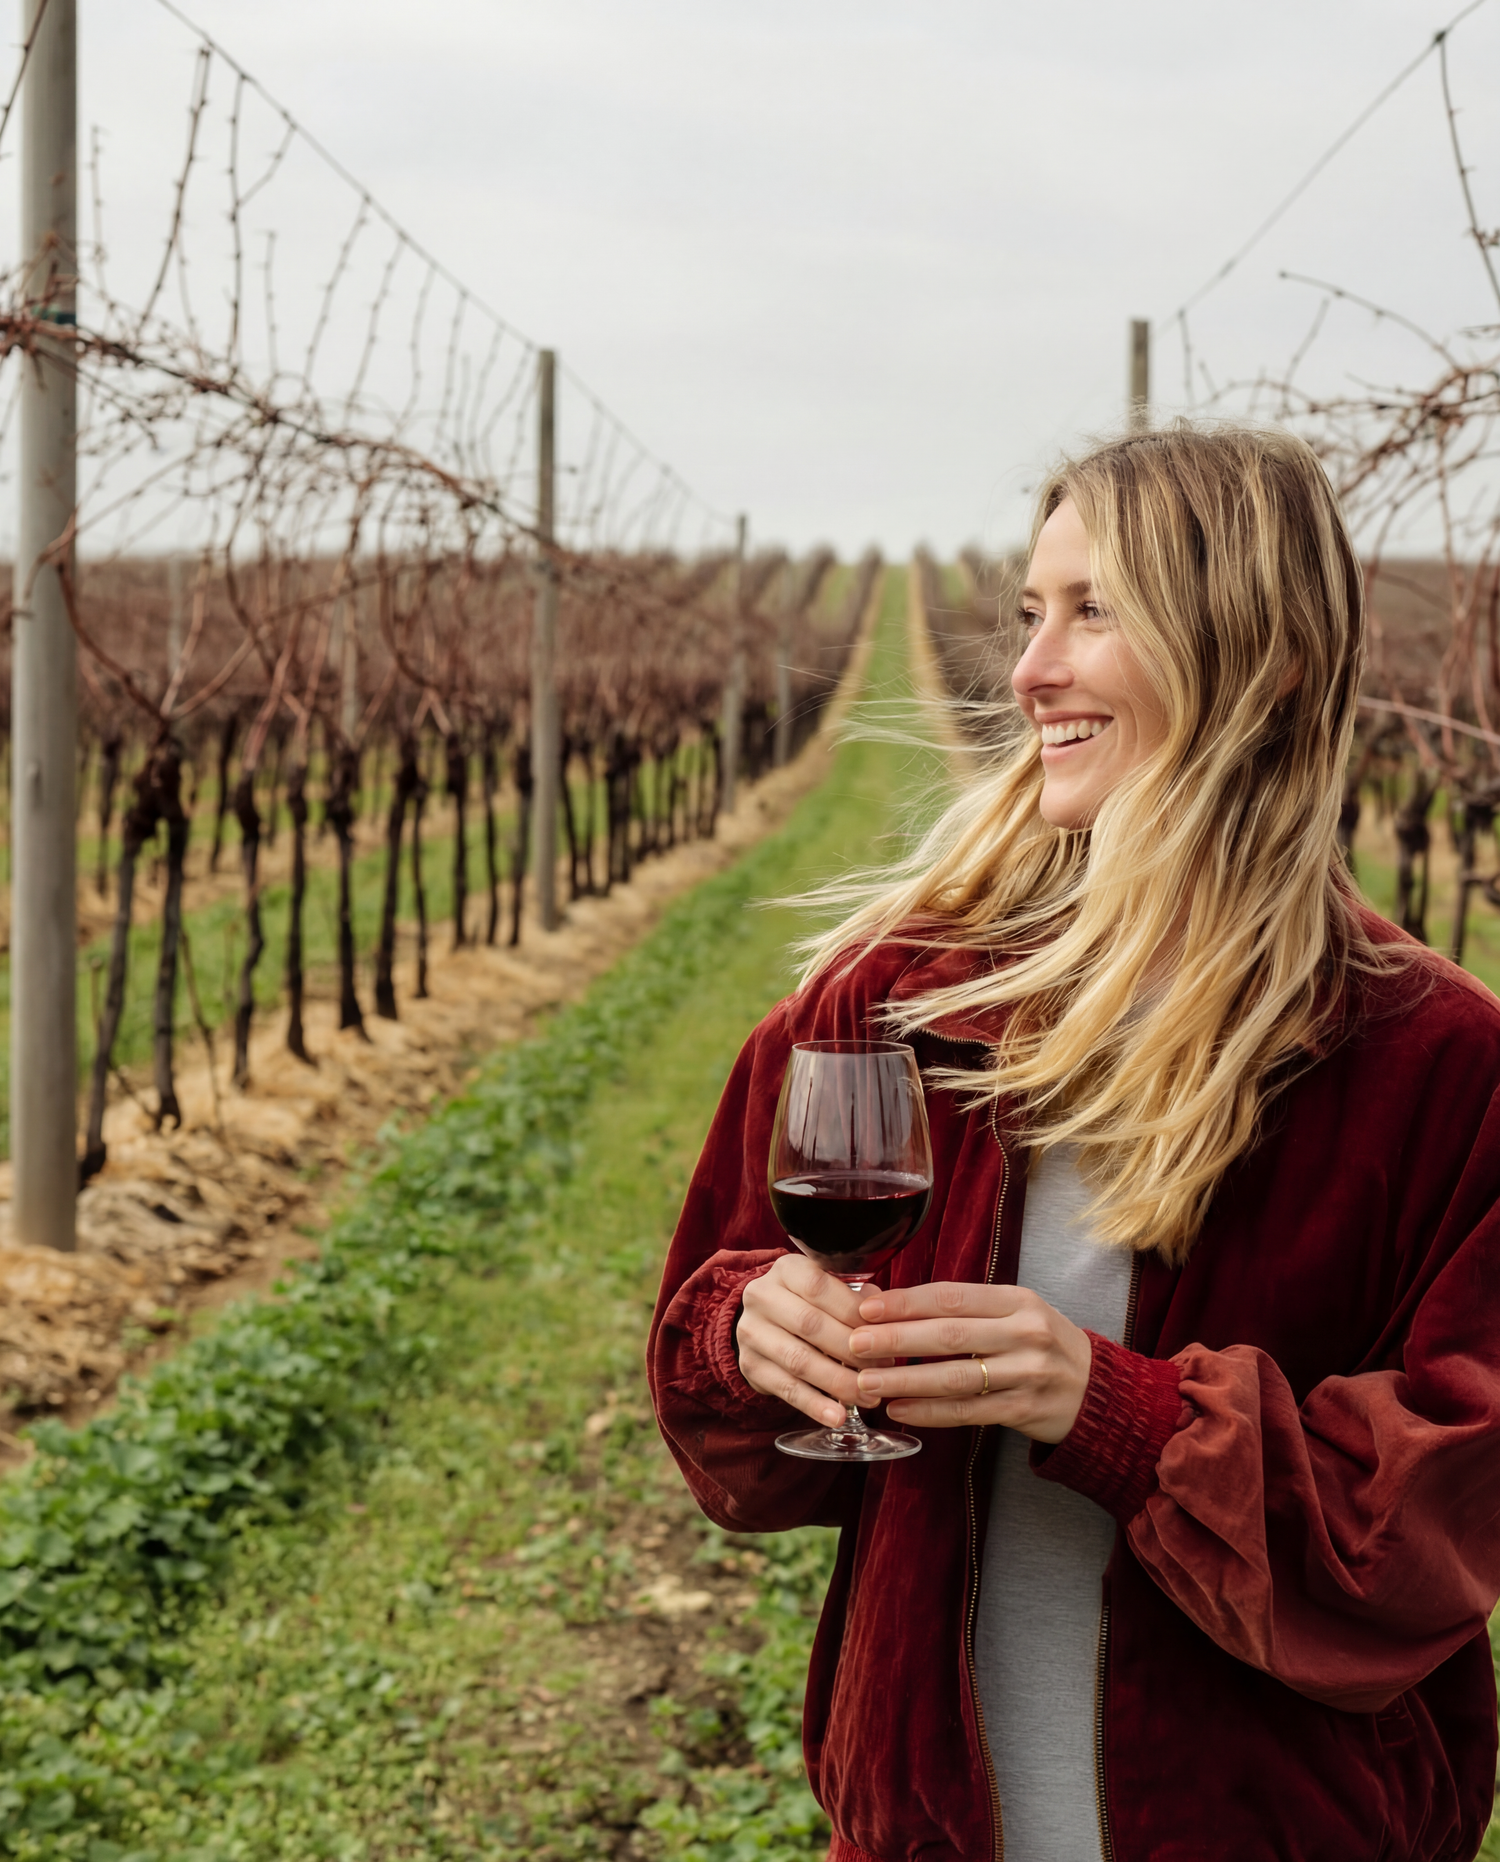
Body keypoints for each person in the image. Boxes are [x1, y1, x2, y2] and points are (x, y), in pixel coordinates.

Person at [647, 423, 1500, 1862]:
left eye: (1094, 610)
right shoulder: (889, 1003)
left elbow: (1429, 1526)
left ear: (1265, 660)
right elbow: (721, 1396)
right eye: (1031, 613)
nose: (1031, 669)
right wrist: (751, 1331)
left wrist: (1115, 1411)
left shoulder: (1438, 1063)